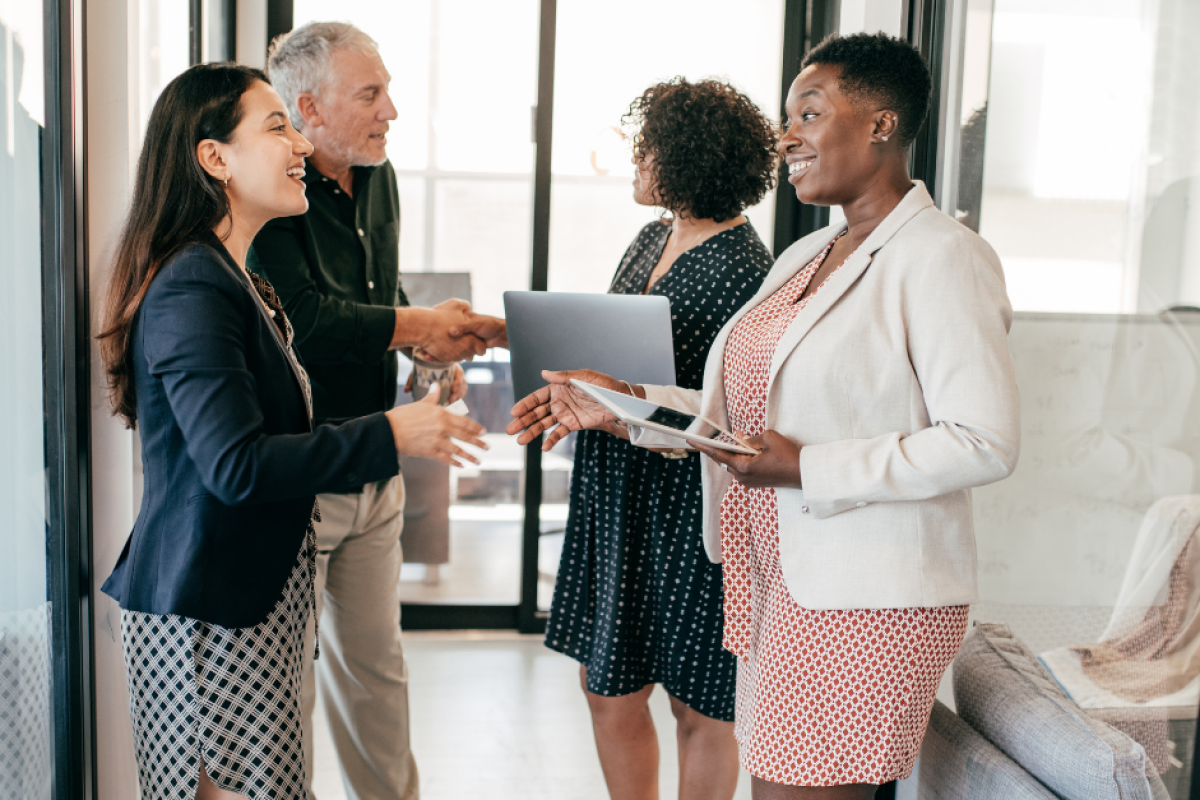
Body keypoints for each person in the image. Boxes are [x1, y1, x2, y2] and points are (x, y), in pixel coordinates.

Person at [509, 32, 1020, 800]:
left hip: (866, 602)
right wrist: (620, 406)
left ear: (881, 124)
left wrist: (804, 467)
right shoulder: (806, 256)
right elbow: (731, 416)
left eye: (809, 113)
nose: (788, 137)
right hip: (778, 585)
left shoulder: (942, 256)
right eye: (788, 116)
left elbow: (984, 440)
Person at [96, 63, 486, 800]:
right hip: (207, 613)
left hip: (245, 602)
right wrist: (389, 434)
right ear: (214, 158)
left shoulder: (236, 276)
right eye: (277, 125)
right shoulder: (192, 284)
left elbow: (270, 432)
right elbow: (237, 467)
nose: (300, 145)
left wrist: (403, 413)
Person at [248, 23, 504, 800]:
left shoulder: (377, 173)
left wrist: (422, 347)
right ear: (308, 109)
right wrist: (419, 323)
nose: (391, 110)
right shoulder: (269, 189)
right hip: (302, 476)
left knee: (377, 675)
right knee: (281, 686)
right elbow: (306, 319)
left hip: (375, 468)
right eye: (371, 94)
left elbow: (369, 304)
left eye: (387, 90)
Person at [543, 78, 777, 800]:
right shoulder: (651, 235)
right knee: (605, 681)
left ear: (688, 158)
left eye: (647, 147)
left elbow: (734, 412)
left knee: (697, 700)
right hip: (616, 485)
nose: (635, 159)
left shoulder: (748, 271)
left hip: (688, 499)